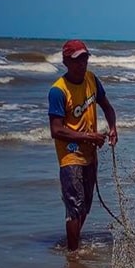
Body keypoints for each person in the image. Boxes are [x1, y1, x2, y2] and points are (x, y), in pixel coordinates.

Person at [48, 39, 118, 252]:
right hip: (70, 156)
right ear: (66, 61)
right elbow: (56, 130)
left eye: (85, 58)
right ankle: (73, 253)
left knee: (85, 205)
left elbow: (107, 107)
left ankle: (73, 244)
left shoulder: (91, 80)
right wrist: (88, 137)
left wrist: (113, 127)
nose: (82, 64)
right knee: (74, 207)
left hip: (90, 153)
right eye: (77, 60)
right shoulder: (58, 91)